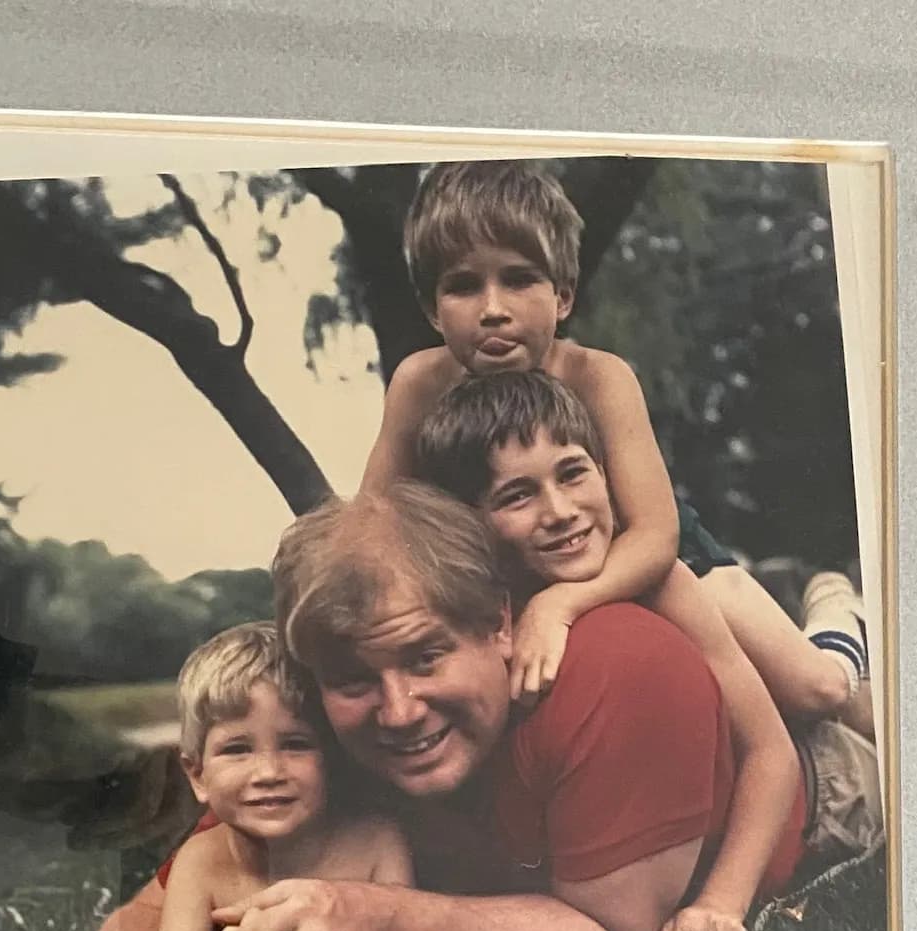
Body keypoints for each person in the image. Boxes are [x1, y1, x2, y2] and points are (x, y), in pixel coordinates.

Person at [79, 484, 883, 931]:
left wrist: (381, 915)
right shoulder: (326, 728)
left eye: (427, 656)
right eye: (356, 679)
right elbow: (172, 892)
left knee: (867, 699)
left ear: (501, 624)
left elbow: (616, 930)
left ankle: (840, 612)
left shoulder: (617, 669)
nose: (398, 712)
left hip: (827, 783)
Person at [361, 159, 869, 723]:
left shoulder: (598, 376)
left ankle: (837, 614)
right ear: (432, 309)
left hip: (642, 543)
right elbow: (374, 523)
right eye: (463, 286)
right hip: (526, 549)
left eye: (519, 278)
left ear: (563, 296)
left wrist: (560, 604)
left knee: (814, 692)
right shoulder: (418, 383)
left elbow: (656, 534)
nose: (493, 309)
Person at [411, 368, 800, 931]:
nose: (561, 510)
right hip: (670, 802)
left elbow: (773, 753)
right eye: (517, 495)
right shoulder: (477, 615)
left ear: (605, 473)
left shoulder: (662, 585)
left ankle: (833, 608)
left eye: (573, 474)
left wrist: (721, 901)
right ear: (466, 522)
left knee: (832, 687)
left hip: (813, 795)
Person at [157, 623, 412, 931]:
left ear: (332, 761)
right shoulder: (200, 861)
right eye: (237, 749)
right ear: (197, 775)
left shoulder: (377, 841)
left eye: (296, 744)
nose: (269, 773)